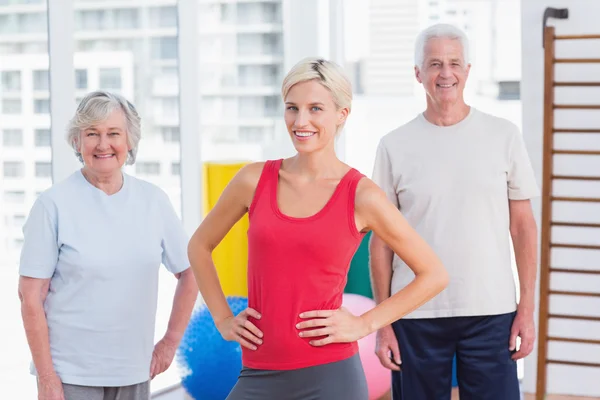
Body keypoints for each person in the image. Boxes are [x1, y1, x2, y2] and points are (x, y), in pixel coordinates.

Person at [187, 57, 449, 400]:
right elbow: (199, 245)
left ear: (342, 114)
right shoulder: (253, 180)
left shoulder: (361, 195)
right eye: (292, 108)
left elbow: (434, 274)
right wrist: (223, 319)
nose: (301, 121)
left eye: (315, 109)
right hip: (258, 373)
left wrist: (365, 323)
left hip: (331, 377)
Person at [370, 23, 539, 400]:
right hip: (414, 313)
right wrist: (384, 323)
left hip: (491, 311)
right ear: (418, 74)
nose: (445, 73)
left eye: (453, 63)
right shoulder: (393, 145)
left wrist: (526, 308)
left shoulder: (504, 135)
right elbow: (381, 243)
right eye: (434, 64)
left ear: (467, 70)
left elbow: (524, 228)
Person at [18, 91, 198, 400]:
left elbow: (191, 273)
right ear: (77, 142)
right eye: (92, 134)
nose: (103, 144)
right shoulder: (52, 205)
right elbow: (30, 297)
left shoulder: (153, 201)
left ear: (130, 141)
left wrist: (170, 342)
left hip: (134, 370)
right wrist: (47, 377)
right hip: (69, 373)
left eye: (113, 133)